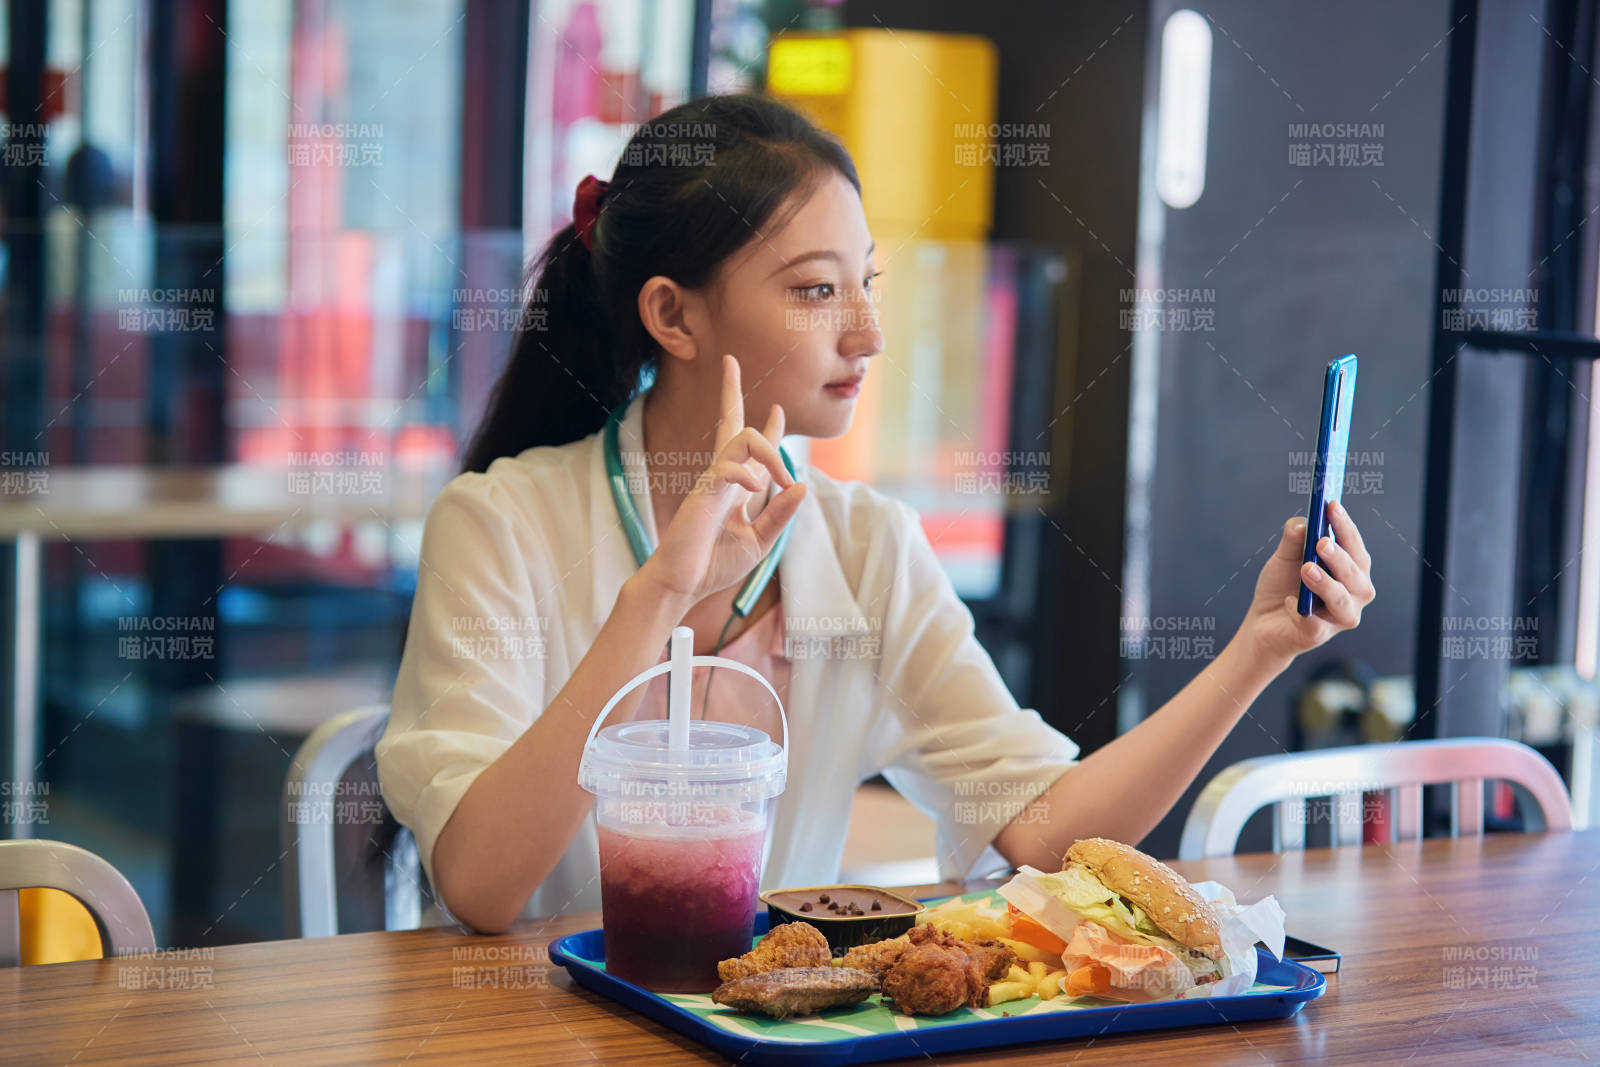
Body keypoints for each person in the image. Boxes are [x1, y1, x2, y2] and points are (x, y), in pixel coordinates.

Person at [376, 93, 1376, 934]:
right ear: (673, 314)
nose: (867, 332)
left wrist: (1258, 648)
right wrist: (661, 593)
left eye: (867, 281)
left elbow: (1045, 830)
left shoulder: (865, 547)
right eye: (816, 290)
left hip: (760, 1027)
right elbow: (481, 886)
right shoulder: (498, 524)